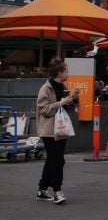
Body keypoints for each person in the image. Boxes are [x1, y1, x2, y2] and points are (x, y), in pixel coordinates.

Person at [35, 58, 78, 205]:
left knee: (54, 160)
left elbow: (63, 107)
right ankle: (57, 191)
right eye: (66, 70)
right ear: (59, 72)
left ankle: (42, 189)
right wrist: (61, 102)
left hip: (60, 129)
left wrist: (72, 99)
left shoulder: (62, 86)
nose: (68, 73)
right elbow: (44, 109)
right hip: (49, 130)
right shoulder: (46, 88)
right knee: (57, 160)